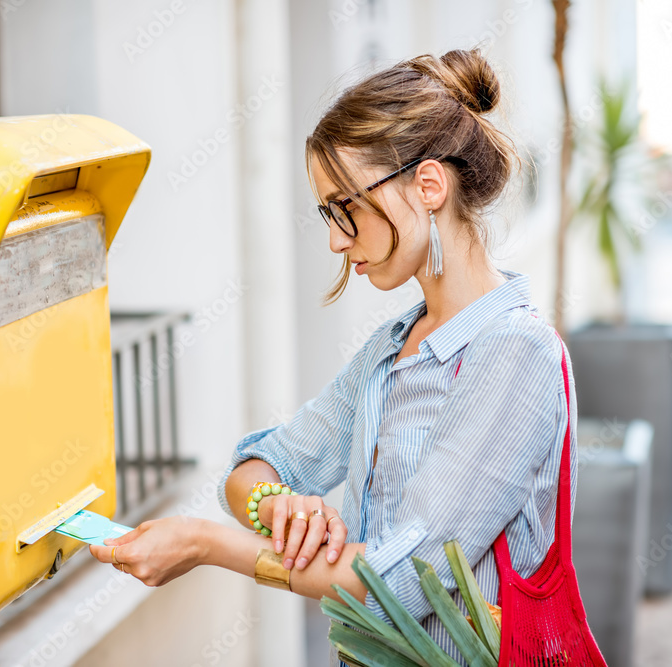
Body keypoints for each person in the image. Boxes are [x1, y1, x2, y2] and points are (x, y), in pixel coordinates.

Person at [90, 47, 577, 664]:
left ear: (429, 185)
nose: (335, 239)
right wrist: (279, 508)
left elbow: (393, 584)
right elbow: (256, 466)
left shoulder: (516, 354)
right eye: (327, 212)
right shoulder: (391, 350)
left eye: (347, 208)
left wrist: (207, 545)